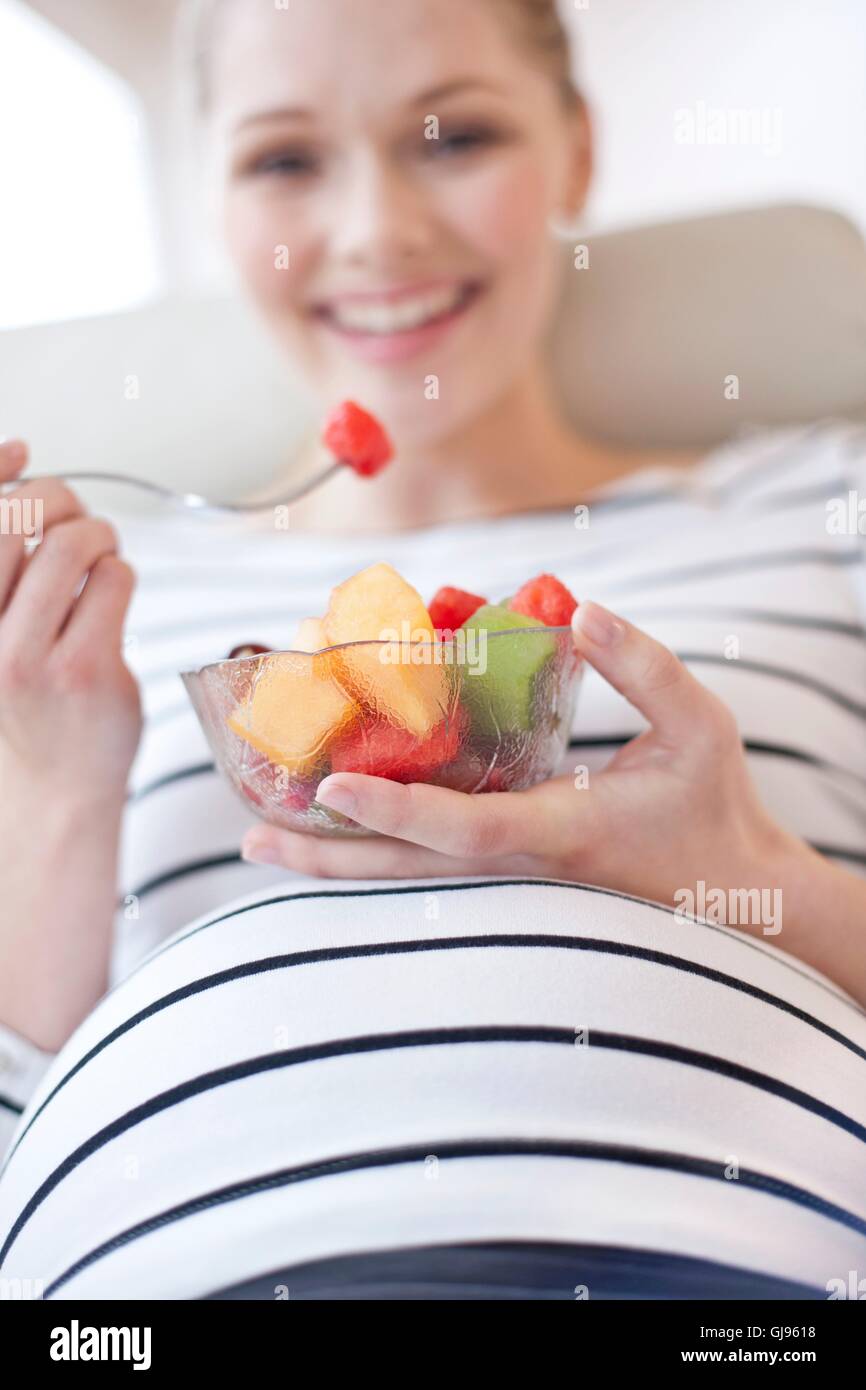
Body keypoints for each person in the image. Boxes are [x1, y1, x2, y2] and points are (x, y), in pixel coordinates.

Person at [0, 0, 864, 1300]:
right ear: (212, 203)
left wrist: (747, 879)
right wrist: (58, 787)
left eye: (453, 134)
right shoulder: (84, 609)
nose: (376, 232)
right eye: (285, 160)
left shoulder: (823, 500)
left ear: (575, 149)